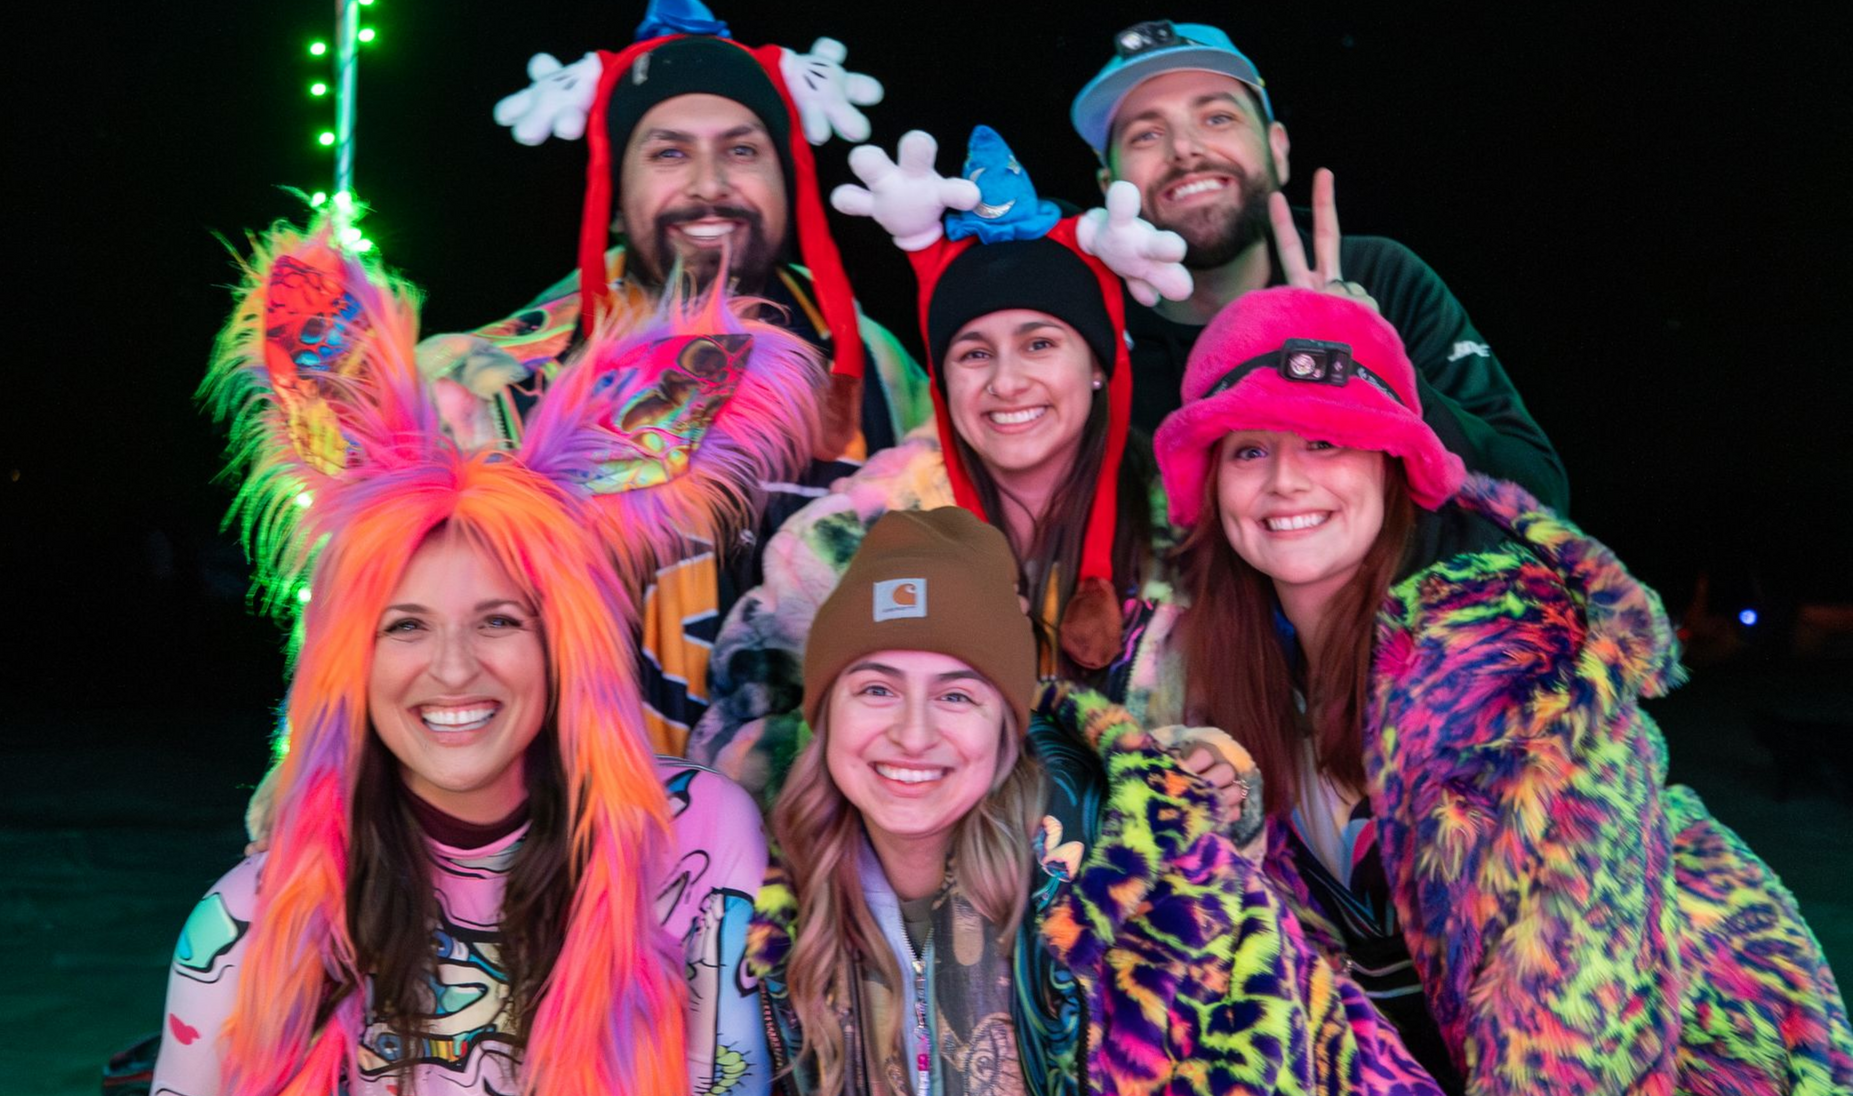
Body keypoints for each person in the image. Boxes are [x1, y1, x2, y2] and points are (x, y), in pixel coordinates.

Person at [153, 223, 827, 1093]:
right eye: (405, 627)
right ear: (348, 661)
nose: (453, 669)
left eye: (499, 622)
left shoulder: (696, 837)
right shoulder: (247, 924)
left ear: (564, 646)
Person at [1146, 285, 1853, 1093]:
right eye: (1249, 451)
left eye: (1324, 440)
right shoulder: (1224, 676)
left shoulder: (1511, 672)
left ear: (1391, 463)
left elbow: (1574, 1032)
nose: (1285, 481)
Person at [748, 507, 1443, 1095]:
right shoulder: (779, 911)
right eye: (875, 688)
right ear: (825, 713)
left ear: (1008, 726)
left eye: (957, 695)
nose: (912, 733)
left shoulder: (1161, 892)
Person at [421, 0, 931, 752]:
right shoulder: (497, 385)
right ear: (615, 195)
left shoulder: (878, 372)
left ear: (788, 180)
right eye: (668, 153)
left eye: (742, 151)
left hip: (828, 805)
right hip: (586, 805)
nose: (709, 185)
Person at [691, 126, 1219, 796]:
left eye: (1039, 344)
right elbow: (728, 755)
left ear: (1098, 364)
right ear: (942, 378)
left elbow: (1257, 740)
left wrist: (1218, 770)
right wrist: (872, 742)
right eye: (974, 353)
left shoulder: (1191, 532)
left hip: (1138, 862)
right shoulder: (852, 537)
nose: (1006, 382)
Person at [1071, 20, 1568, 512]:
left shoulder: (1380, 275)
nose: (1184, 148)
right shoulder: (1080, 329)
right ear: (1108, 185)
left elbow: (1540, 499)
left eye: (1218, 118)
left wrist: (1374, 368)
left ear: (1278, 149)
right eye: (1146, 135)